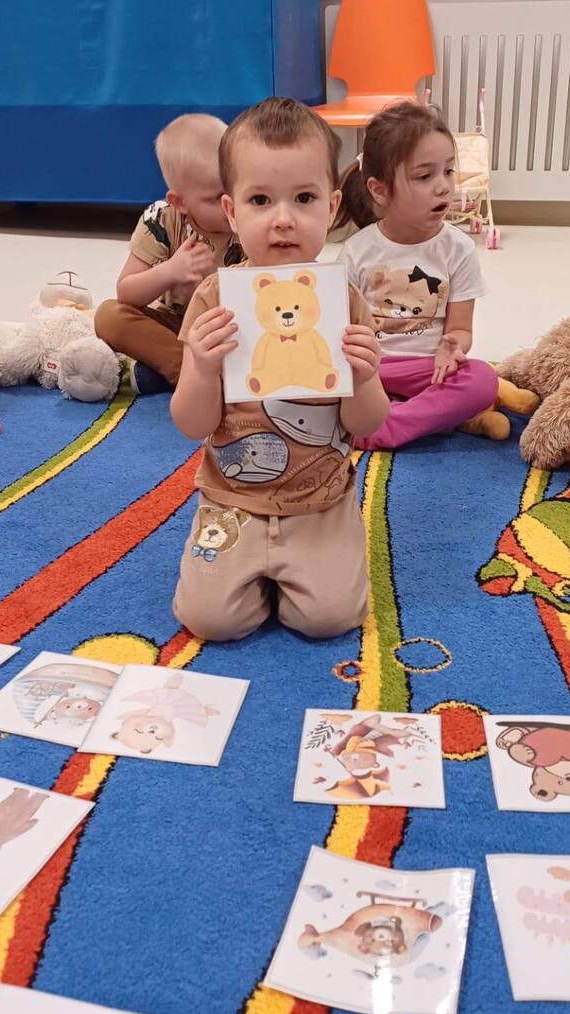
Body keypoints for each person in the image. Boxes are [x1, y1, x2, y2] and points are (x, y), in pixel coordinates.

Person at [170, 97, 389, 642]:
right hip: (233, 499)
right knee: (210, 621)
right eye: (261, 200)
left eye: (304, 198)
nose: (284, 218)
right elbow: (192, 424)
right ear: (231, 212)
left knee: (330, 619)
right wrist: (202, 368)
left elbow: (367, 424)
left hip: (320, 501)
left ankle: (314, 559)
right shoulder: (214, 299)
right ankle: (253, 571)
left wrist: (364, 377)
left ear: (332, 207)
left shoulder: (344, 301)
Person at [337, 101, 508, 449]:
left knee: (482, 379)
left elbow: (460, 329)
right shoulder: (356, 252)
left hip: (429, 370)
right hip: (371, 370)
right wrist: (359, 367)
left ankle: (383, 427)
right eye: (424, 176)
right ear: (380, 190)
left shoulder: (458, 249)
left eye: (448, 171)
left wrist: (454, 346)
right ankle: (425, 417)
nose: (444, 186)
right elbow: (341, 328)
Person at [94, 113, 243, 396]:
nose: (231, 203)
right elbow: (126, 292)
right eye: (217, 197)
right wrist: (170, 271)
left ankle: (164, 373)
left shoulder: (249, 215)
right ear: (180, 202)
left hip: (231, 330)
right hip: (177, 327)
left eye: (238, 187)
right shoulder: (162, 218)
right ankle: (190, 373)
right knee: (108, 316)